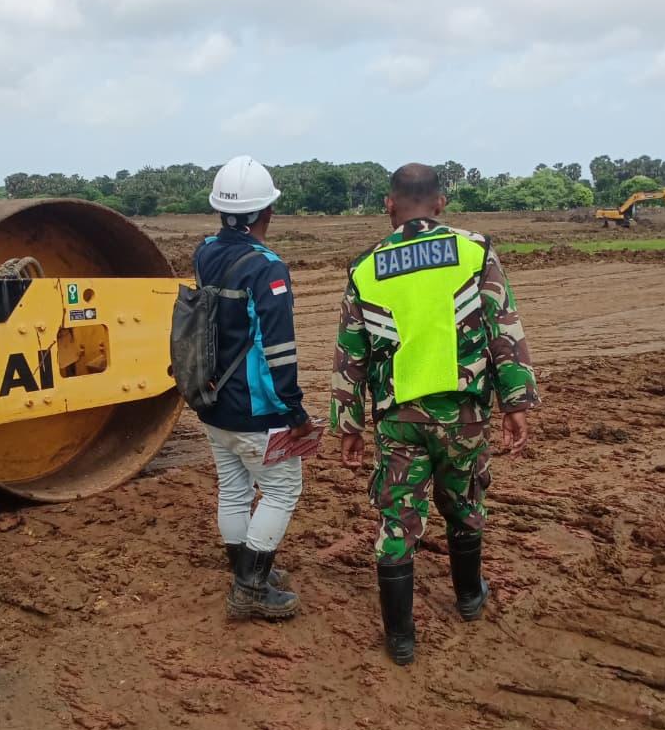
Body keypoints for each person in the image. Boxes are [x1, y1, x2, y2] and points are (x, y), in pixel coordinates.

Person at [330, 162, 538, 665]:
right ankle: (469, 598)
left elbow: (349, 353)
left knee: (398, 522)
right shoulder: (474, 252)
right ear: (440, 203)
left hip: (399, 419)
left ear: (390, 205)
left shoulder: (366, 268)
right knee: (465, 504)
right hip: (464, 413)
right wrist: (515, 403)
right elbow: (502, 327)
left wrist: (348, 425)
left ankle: (401, 639)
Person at [194, 155, 313, 622]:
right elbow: (279, 351)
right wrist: (295, 412)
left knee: (233, 489)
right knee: (282, 492)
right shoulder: (268, 268)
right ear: (268, 213)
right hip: (257, 412)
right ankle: (251, 587)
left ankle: (246, 568)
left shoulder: (204, 252)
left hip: (212, 403)